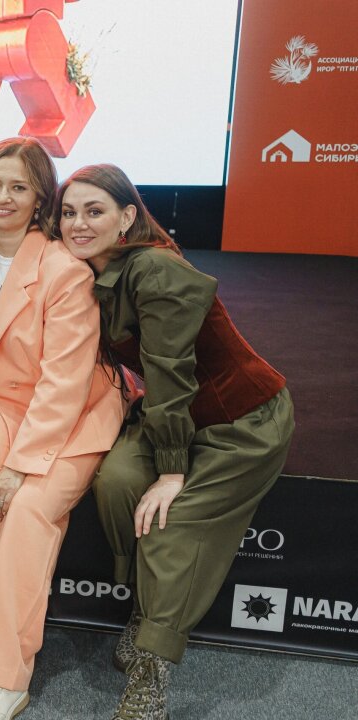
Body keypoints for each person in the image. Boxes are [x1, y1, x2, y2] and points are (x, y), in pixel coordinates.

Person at [56, 164, 294, 720]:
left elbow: (169, 375)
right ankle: (146, 609)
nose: (78, 223)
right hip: (179, 414)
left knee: (170, 523)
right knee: (116, 481)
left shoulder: (156, 269)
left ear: (127, 217)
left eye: (94, 211)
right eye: (68, 212)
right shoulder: (94, 267)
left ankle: (152, 666)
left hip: (243, 422)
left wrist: (170, 472)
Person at [0, 139, 128, 720]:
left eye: (19, 187)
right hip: (1, 401)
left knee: (24, 507)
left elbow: (63, 384)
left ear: (40, 198)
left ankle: (5, 677)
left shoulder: (64, 270)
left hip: (73, 413)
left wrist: (20, 466)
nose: (4, 197)